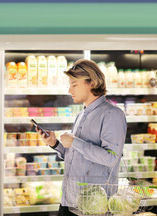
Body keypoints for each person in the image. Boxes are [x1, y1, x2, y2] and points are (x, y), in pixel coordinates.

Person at [36, 59, 127, 216]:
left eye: (74, 84)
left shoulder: (112, 114)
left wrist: (75, 142)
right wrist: (55, 144)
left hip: (92, 208)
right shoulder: (81, 114)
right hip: (70, 201)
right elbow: (77, 156)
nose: (69, 89)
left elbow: (111, 158)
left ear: (91, 83)